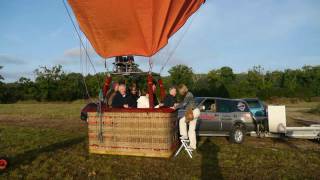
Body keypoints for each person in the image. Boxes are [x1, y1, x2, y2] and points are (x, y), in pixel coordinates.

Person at [176, 84, 200, 150]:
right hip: (194, 112)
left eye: (179, 91)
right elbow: (184, 103)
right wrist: (178, 104)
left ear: (182, 89)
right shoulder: (188, 94)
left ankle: (184, 136)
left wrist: (175, 107)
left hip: (193, 112)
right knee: (191, 130)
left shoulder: (189, 95)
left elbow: (184, 104)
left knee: (181, 121)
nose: (179, 92)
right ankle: (193, 146)